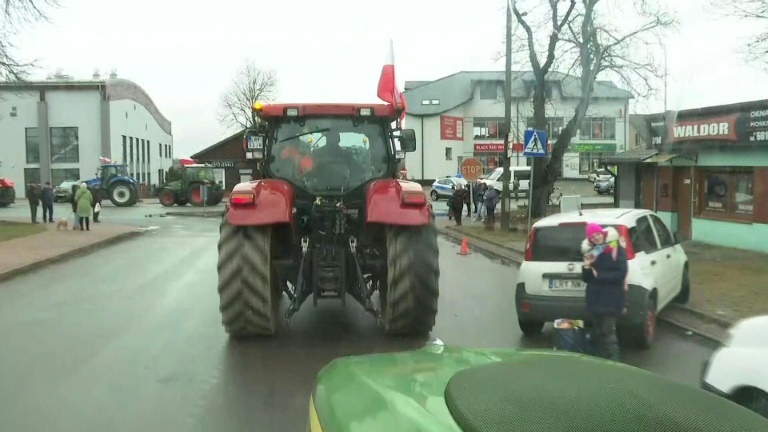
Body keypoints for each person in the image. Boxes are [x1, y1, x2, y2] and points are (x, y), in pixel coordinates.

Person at [581, 223, 628, 362]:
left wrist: (599, 276)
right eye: (593, 236)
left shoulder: (616, 249)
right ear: (590, 239)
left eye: (598, 234)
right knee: (598, 333)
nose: (596, 237)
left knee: (608, 333)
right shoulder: (592, 252)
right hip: (595, 299)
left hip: (611, 299)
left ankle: (614, 363)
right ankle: (601, 362)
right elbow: (586, 278)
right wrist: (586, 266)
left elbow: (620, 274)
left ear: (603, 233)